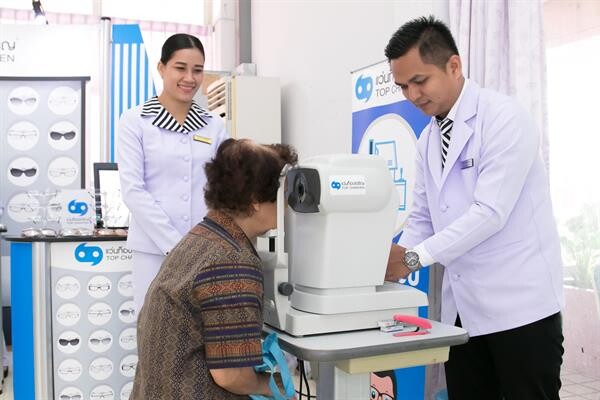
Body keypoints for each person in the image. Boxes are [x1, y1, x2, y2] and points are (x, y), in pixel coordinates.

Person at [383, 16, 564, 399]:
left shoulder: (504, 118)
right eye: (403, 87)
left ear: (454, 65)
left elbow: (490, 212)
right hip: (463, 312)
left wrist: (413, 258)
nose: (413, 95)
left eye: (420, 81)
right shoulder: (427, 140)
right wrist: (391, 265)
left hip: (521, 308)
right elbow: (422, 218)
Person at [132, 138, 298, 399]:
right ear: (256, 200)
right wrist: (269, 385)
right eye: (283, 196)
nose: (288, 206)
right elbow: (231, 376)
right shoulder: (231, 262)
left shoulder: (201, 238)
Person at [117, 33, 228, 312]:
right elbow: (133, 190)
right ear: (161, 68)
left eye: (197, 70)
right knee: (155, 333)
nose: (189, 78)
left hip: (206, 249)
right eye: (180, 67)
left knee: (202, 337)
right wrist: (176, 245)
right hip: (152, 251)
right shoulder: (135, 121)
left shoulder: (213, 125)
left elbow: (224, 186)